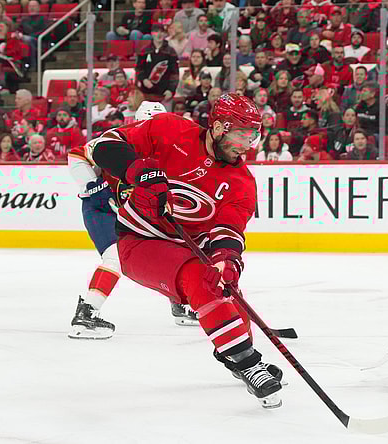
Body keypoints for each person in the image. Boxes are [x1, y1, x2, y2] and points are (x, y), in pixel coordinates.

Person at [86, 94, 285, 406]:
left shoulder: (242, 183)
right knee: (201, 280)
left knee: (230, 296)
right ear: (219, 127)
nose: (248, 144)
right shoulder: (169, 130)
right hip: (141, 241)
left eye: (254, 136)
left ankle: (235, 354)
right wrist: (136, 170)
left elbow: (228, 231)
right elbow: (102, 146)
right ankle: (248, 362)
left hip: (191, 247)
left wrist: (226, 259)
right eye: (242, 135)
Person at [67, 101, 199, 340]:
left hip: (135, 213)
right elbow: (77, 155)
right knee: (116, 258)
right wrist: (93, 186)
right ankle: (86, 313)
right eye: (149, 126)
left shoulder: (167, 151)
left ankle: (179, 303)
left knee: (172, 249)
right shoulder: (117, 140)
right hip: (103, 210)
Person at [135, 25, 179, 104]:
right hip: (146, 93)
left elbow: (175, 73)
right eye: (156, 32)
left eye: (161, 32)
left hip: (164, 94)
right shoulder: (144, 51)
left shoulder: (171, 52)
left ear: (165, 34)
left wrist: (170, 90)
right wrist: (144, 79)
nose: (159, 34)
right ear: (152, 34)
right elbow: (138, 68)